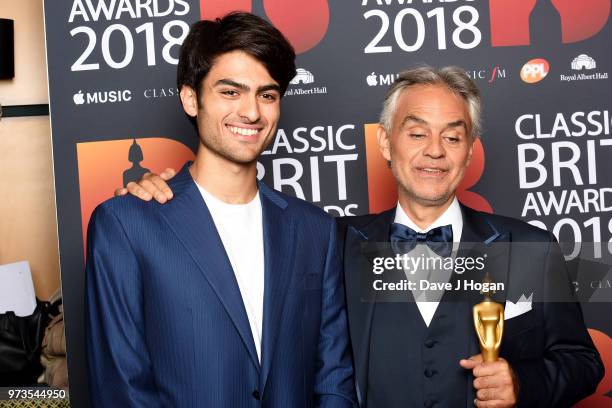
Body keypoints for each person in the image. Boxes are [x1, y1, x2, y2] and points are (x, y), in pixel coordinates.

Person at [121, 67, 604, 407]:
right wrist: (169, 195)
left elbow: (582, 362)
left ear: (470, 150)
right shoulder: (332, 243)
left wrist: (524, 382)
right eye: (416, 134)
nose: (434, 151)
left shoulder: (530, 248)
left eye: (453, 137)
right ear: (385, 143)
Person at [86, 12, 356, 407]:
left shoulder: (316, 230)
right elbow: (123, 389)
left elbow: (333, 377)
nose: (251, 112)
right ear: (191, 98)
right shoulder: (126, 224)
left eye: (267, 95)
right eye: (231, 92)